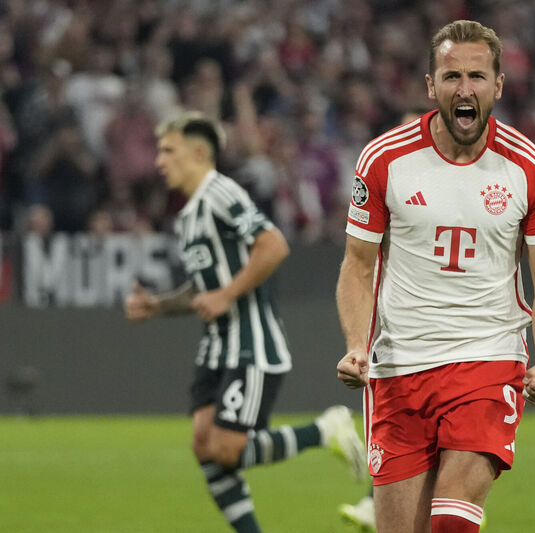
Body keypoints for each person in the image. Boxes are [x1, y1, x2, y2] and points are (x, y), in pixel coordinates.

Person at [335, 20, 535, 533]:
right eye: (452, 76)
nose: (465, 89)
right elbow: (358, 264)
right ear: (430, 85)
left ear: (498, 85)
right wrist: (356, 344)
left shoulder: (529, 170)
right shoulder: (385, 159)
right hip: (399, 367)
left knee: (451, 522)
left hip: (487, 358)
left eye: (477, 76)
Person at [125, 111, 366, 533]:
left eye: (168, 150)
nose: (159, 160)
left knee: (226, 448)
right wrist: (158, 306)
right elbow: (206, 287)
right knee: (205, 447)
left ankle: (324, 430)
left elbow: (272, 245)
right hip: (216, 345)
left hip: (251, 342)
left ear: (198, 153)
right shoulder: (189, 215)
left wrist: (227, 295)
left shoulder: (221, 192)